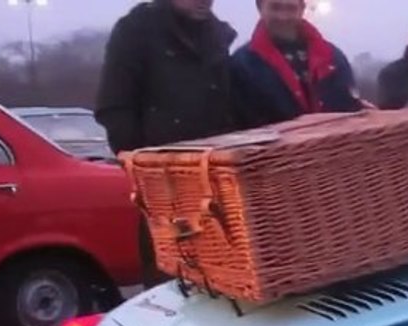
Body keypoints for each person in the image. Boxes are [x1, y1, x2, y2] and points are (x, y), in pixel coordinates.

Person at [95, 0, 238, 287]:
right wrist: (141, 166)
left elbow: (230, 107)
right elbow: (114, 104)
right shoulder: (137, 30)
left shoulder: (216, 36)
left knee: (227, 278)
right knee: (171, 279)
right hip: (163, 185)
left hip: (214, 181)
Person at [230, 0, 365, 130]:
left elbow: (351, 109)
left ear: (302, 9)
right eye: (275, 7)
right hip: (275, 152)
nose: (283, 17)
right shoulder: (243, 64)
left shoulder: (332, 57)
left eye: (291, 8)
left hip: (338, 147)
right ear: (260, 7)